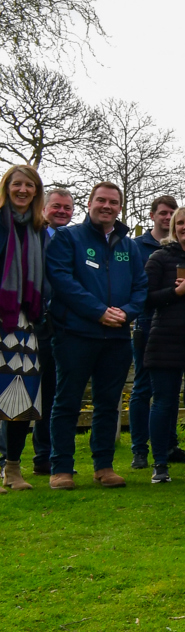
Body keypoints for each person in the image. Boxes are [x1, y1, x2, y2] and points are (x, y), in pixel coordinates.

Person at [44, 181, 146, 489]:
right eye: (101, 200)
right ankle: (61, 467)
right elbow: (61, 279)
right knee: (67, 401)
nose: (107, 206)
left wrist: (127, 312)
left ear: (119, 207)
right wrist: (98, 311)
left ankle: (103, 466)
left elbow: (141, 287)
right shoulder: (67, 238)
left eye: (113, 202)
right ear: (89, 203)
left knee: (108, 403)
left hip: (116, 338)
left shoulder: (129, 245)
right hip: (75, 333)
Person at [141, 207, 185, 485]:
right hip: (165, 339)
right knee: (163, 403)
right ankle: (160, 463)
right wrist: (176, 292)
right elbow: (145, 297)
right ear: (173, 228)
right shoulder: (160, 257)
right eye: (180, 223)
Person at [0, 165, 48, 491]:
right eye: (17, 184)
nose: (23, 190)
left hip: (24, 321)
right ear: (7, 187)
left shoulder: (39, 229)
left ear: (35, 191)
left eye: (29, 186)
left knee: (20, 397)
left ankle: (13, 469)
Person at [127, 194, 175, 472]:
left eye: (172, 213)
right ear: (152, 215)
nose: (167, 218)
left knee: (168, 389)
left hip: (173, 326)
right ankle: (139, 450)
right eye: (163, 213)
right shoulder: (137, 246)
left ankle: (168, 445)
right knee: (143, 387)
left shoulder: (184, 248)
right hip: (145, 323)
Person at [32, 186, 76, 476]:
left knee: (53, 393)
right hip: (33, 321)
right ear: (44, 208)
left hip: (63, 325)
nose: (62, 211)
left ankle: (45, 456)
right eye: (56, 206)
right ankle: (9, 459)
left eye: (67, 207)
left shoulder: (72, 239)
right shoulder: (34, 237)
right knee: (24, 390)